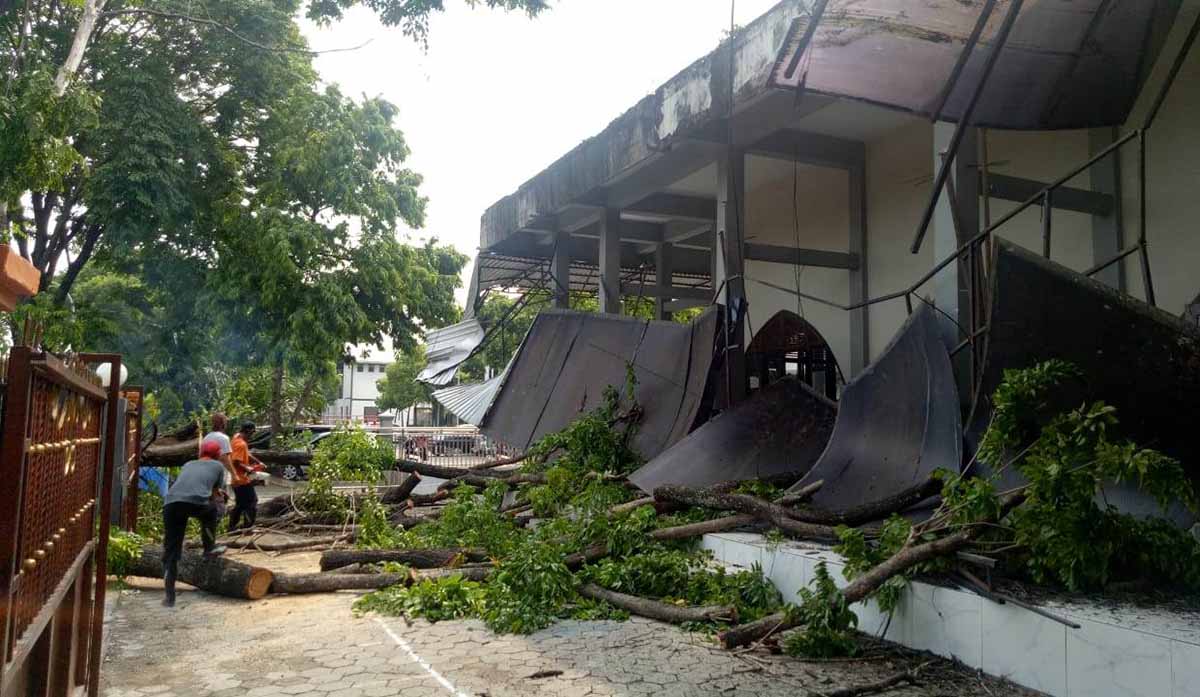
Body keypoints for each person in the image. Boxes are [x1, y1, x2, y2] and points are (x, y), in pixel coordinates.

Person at [161, 440, 228, 607]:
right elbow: (213, 494)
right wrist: (221, 499)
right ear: (217, 454)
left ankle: (169, 598)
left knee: (171, 553)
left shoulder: (188, 464)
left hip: (171, 503)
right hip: (196, 503)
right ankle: (209, 548)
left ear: (201, 452)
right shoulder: (218, 466)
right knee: (212, 510)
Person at [228, 421, 263, 530]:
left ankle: (232, 527)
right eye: (252, 433)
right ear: (248, 431)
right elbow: (235, 461)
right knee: (252, 502)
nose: (252, 436)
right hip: (241, 480)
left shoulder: (236, 439)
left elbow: (246, 453)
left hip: (236, 479)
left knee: (241, 504)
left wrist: (258, 462)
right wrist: (248, 468)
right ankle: (248, 527)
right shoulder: (241, 444)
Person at [202, 412, 237, 484]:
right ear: (223, 423)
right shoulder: (223, 438)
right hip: (220, 474)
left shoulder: (206, 438)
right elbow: (225, 458)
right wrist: (234, 474)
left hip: (207, 473)